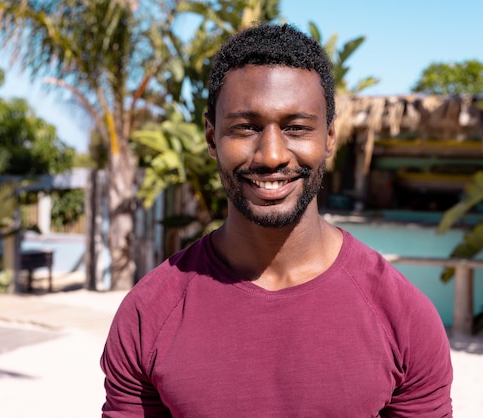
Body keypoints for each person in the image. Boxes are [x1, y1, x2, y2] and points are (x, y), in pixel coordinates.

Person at [100, 23, 453, 417]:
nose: (271, 155)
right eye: (246, 127)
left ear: (330, 136)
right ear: (212, 137)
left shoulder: (404, 318)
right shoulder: (148, 315)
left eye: (296, 128)